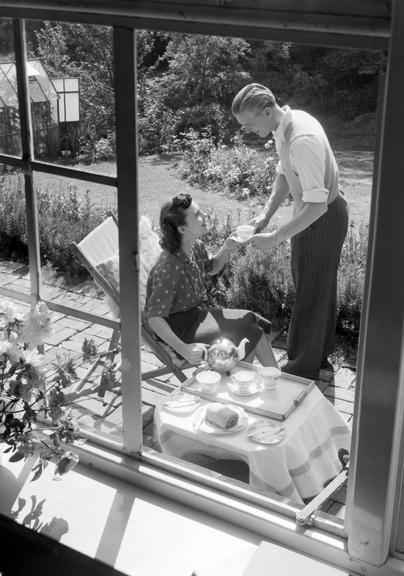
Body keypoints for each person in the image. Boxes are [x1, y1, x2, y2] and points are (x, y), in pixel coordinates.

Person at [232, 83, 349, 381]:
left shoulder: (301, 139)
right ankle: (316, 356)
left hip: (321, 218)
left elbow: (317, 206)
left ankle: (300, 369)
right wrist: (265, 215)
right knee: (317, 289)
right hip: (313, 215)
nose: (247, 130)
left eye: (249, 123)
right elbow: (284, 173)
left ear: (268, 111)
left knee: (311, 293)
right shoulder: (285, 124)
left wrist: (274, 238)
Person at [144, 193, 278, 367]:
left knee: (249, 321)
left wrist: (227, 247)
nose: (205, 216)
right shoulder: (169, 266)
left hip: (195, 316)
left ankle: (274, 378)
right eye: (198, 214)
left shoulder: (195, 246)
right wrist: (185, 349)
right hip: (177, 332)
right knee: (246, 329)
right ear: (182, 229)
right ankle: (247, 380)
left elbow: (212, 267)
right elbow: (154, 319)